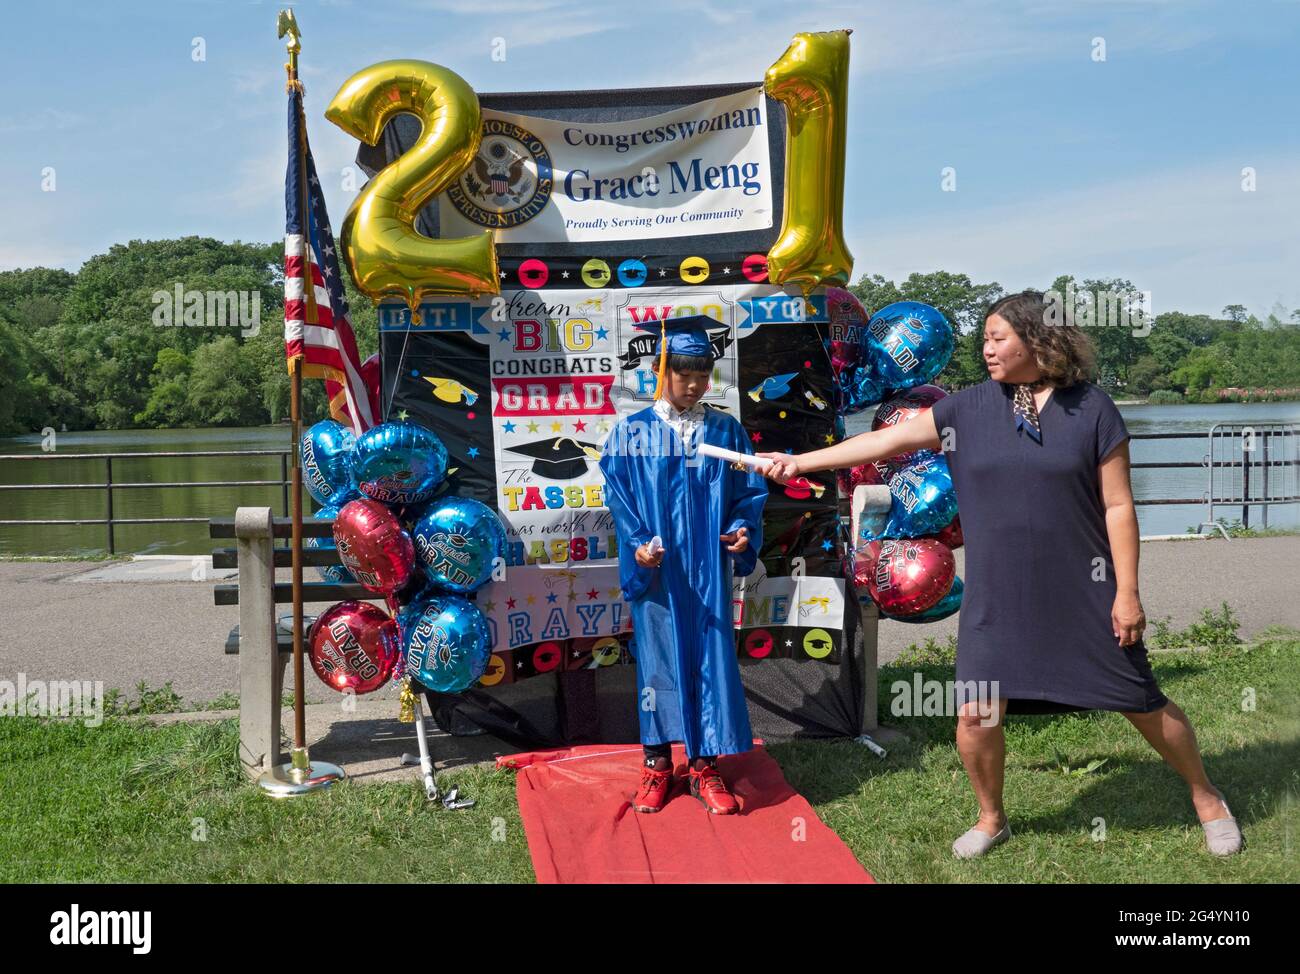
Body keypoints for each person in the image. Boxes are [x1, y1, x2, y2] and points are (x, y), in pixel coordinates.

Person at [759, 291, 1243, 857]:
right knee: (976, 710)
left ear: (1038, 341)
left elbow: (1118, 507)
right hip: (997, 594)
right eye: (984, 338)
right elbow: (882, 440)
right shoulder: (965, 410)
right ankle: (992, 818)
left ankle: (1208, 798)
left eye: (998, 338)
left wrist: (1127, 593)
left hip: (1082, 587)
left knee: (1138, 698)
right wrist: (801, 462)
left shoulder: (1092, 409)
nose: (986, 348)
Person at [599, 315, 768, 815]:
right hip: (660, 571)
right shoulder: (632, 433)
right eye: (683, 373)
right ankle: (656, 764)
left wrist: (741, 530)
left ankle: (705, 765)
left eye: (702, 374)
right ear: (658, 370)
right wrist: (637, 546)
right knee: (659, 665)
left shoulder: (725, 430)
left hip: (709, 572)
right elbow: (620, 498)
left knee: (711, 661)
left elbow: (749, 492)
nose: (694, 384)